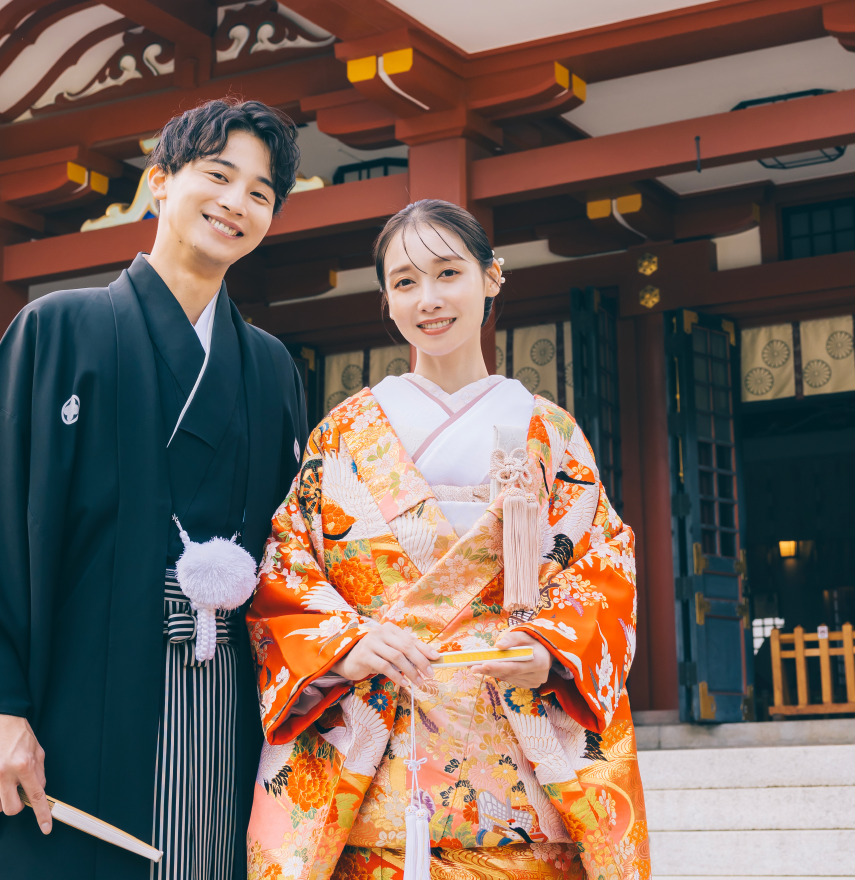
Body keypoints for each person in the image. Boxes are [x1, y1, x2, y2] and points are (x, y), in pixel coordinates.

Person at [0, 98, 310, 880]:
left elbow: (296, 553)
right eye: (218, 176)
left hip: (226, 698)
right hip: (74, 693)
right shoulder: (56, 330)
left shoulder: (268, 367)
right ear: (161, 182)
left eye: (260, 193)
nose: (237, 202)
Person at [246, 200, 648, 880]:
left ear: (491, 277)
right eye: (404, 282)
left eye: (448, 273)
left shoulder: (549, 431)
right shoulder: (344, 433)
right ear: (387, 300)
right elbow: (288, 564)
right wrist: (345, 643)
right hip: (377, 760)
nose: (427, 299)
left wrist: (553, 650)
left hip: (520, 761)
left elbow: (603, 566)